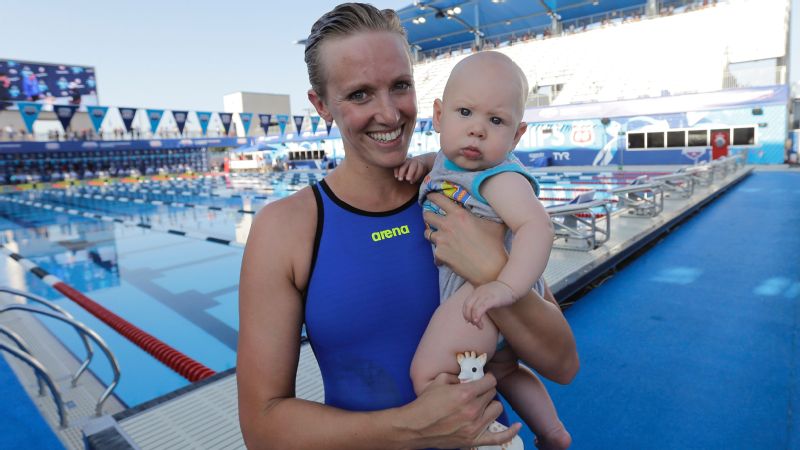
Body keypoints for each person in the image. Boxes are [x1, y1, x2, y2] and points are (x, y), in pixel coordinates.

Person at [237, 3, 578, 449]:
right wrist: (411, 427)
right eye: (360, 94)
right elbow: (262, 429)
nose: (390, 113)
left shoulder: (469, 199)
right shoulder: (285, 230)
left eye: (400, 86)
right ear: (321, 105)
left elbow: (562, 364)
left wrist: (492, 267)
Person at [395, 51, 571, 449]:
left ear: (518, 135)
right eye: (465, 113)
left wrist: (504, 287)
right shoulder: (452, 162)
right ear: (439, 116)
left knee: (428, 374)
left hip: (478, 294)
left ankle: (480, 432)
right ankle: (553, 432)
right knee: (507, 369)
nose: (476, 130)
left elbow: (537, 227)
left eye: (495, 121)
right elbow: (443, 160)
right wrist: (422, 163)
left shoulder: (500, 177)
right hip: (491, 300)